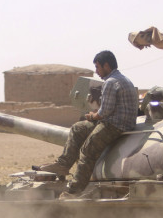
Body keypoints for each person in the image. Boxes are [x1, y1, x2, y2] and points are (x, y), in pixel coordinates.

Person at [37, 50, 138, 197]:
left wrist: (93, 116)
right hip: (119, 122)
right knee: (77, 128)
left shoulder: (111, 82)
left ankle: (74, 191)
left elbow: (105, 112)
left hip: (115, 125)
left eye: (98, 67)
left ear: (106, 65)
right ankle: (63, 164)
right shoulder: (124, 79)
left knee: (88, 149)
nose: (96, 71)